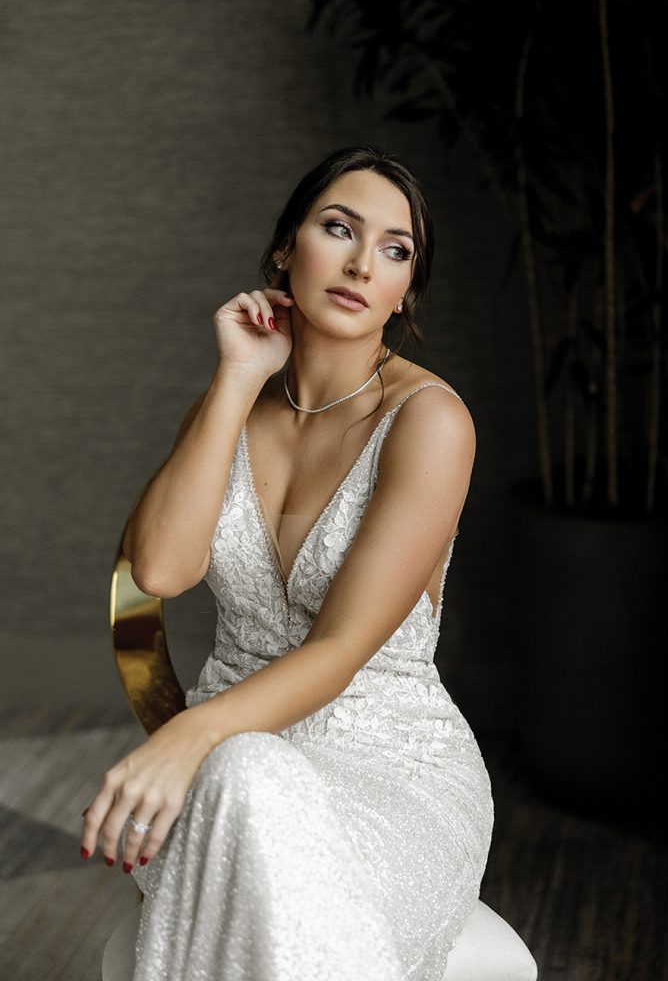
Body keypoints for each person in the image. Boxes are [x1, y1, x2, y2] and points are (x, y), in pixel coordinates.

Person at [81, 146, 498, 980]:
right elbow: (159, 571)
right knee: (243, 775)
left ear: (406, 290)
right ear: (284, 249)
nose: (360, 264)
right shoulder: (231, 402)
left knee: (246, 769)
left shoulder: (429, 422)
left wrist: (189, 735)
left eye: (394, 250)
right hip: (225, 772)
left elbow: (340, 650)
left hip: (387, 772)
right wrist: (237, 379)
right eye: (338, 229)